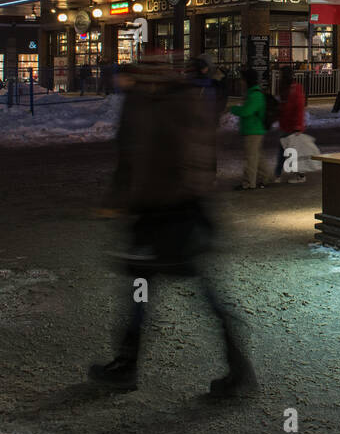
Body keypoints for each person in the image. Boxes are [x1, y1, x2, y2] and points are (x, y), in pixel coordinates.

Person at [89, 59, 257, 397]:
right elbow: (134, 159)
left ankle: (236, 369)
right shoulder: (165, 102)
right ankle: (130, 363)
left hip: (169, 217)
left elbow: (158, 161)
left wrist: (130, 200)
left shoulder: (166, 105)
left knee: (193, 293)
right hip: (166, 216)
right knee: (151, 291)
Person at [230, 67, 274, 190]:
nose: (240, 81)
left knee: (251, 158)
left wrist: (233, 109)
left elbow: (246, 111)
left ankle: (249, 183)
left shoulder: (255, 95)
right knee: (257, 156)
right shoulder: (253, 94)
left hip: (253, 130)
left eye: (242, 79)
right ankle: (266, 177)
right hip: (254, 129)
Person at [275, 66, 308, 184]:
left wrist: (298, 125)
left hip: (290, 126)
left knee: (287, 151)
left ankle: (283, 174)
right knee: (286, 151)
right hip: (287, 124)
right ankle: (280, 174)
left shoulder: (293, 89)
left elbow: (299, 108)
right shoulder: (289, 88)